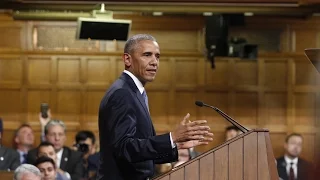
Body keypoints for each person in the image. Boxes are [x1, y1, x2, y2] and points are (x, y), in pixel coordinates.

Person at [97, 34, 213, 180]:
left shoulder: (135, 92)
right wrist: (172, 137)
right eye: (147, 55)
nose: (154, 62)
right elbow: (124, 149)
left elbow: (140, 152)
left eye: (157, 56)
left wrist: (176, 146)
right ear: (127, 59)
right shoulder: (122, 93)